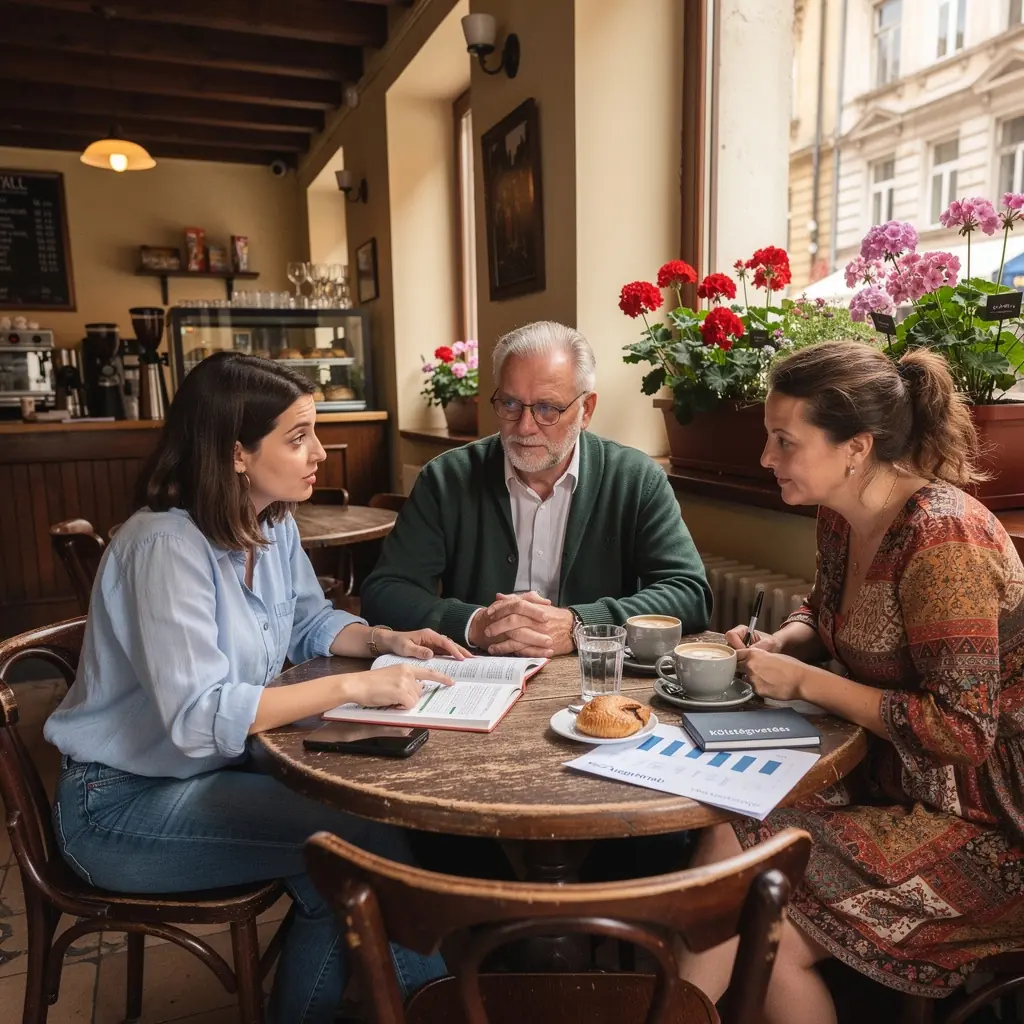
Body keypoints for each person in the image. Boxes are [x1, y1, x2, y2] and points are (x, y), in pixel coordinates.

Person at [44, 352, 467, 1024]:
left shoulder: (270, 523)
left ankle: (413, 1004)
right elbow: (199, 716)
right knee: (351, 847)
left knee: (350, 849)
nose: (319, 453)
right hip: (121, 807)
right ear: (236, 453)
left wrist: (384, 639)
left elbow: (307, 620)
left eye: (315, 433)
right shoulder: (164, 546)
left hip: (209, 772)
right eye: (297, 437)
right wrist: (355, 686)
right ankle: (433, 1007)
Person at [680, 340, 1024, 1022]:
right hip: (891, 775)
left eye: (784, 441)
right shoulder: (844, 515)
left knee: (761, 925)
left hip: (991, 823)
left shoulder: (943, 541)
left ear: (855, 448)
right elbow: (827, 609)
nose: (765, 459)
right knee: (727, 834)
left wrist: (804, 683)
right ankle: (670, 1005)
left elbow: (963, 731)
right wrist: (787, 640)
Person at [361, 320, 712, 656]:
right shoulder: (446, 478)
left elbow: (689, 593)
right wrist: (475, 623)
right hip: (476, 676)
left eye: (547, 408)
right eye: (510, 404)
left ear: (586, 410)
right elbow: (384, 592)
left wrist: (580, 624)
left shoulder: (635, 479)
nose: (525, 427)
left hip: (593, 678)